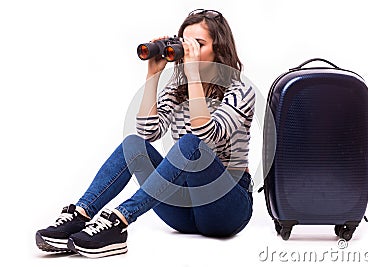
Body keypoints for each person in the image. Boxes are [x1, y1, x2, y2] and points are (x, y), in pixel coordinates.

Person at [36, 9, 255, 258]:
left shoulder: (240, 89)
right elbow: (148, 132)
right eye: (186, 44)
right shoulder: (177, 88)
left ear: (220, 49)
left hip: (227, 208)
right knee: (133, 143)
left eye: (199, 45)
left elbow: (205, 136)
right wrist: (153, 75)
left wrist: (193, 75)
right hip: (185, 211)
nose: (190, 52)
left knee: (191, 144)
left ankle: (118, 222)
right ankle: (81, 214)